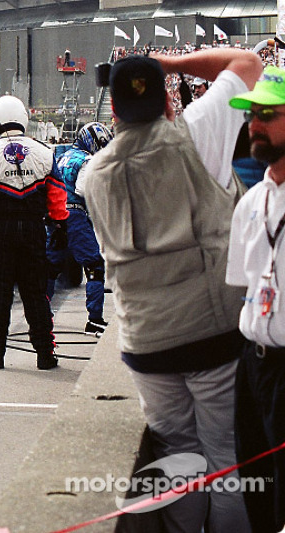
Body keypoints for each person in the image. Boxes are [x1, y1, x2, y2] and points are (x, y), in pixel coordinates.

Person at [80, 50, 262, 531]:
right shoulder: (197, 131)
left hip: (146, 344)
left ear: (113, 111)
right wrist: (170, 61)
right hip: (214, 334)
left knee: (181, 459)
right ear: (166, 102)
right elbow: (247, 63)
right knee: (226, 460)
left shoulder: (90, 176)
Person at [0, 95, 68, 371]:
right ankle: (46, 353)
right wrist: (61, 224)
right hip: (34, 228)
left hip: (1, 228)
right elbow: (58, 194)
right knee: (36, 293)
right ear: (23, 119)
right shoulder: (45, 152)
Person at [226, 65, 285, 533]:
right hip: (254, 363)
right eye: (251, 115)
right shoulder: (250, 203)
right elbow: (246, 285)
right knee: (255, 480)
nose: (254, 125)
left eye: (267, 114)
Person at [46, 121, 112, 337]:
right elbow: (84, 189)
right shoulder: (87, 160)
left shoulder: (62, 156)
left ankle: (41, 316)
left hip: (54, 214)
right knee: (94, 264)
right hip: (74, 214)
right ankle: (94, 321)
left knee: (51, 267)